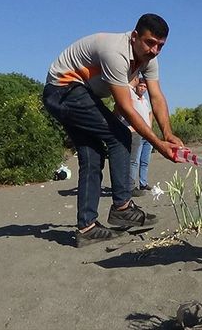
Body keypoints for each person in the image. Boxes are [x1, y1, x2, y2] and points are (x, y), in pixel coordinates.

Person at [42, 13, 184, 247]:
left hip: (79, 93)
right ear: (135, 36)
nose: (155, 50)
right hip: (62, 89)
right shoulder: (115, 52)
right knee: (120, 135)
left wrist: (168, 134)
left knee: (92, 154)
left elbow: (156, 97)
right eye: (150, 42)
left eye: (160, 45)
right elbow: (126, 108)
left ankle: (86, 227)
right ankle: (122, 207)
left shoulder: (149, 59)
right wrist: (159, 145)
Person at [120, 78, 154, 197]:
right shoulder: (131, 97)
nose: (143, 89)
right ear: (136, 86)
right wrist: (130, 127)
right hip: (136, 132)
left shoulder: (145, 100)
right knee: (134, 160)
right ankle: (131, 186)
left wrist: (149, 126)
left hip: (147, 133)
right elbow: (121, 109)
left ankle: (143, 183)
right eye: (141, 86)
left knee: (145, 160)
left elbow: (150, 113)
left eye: (145, 87)